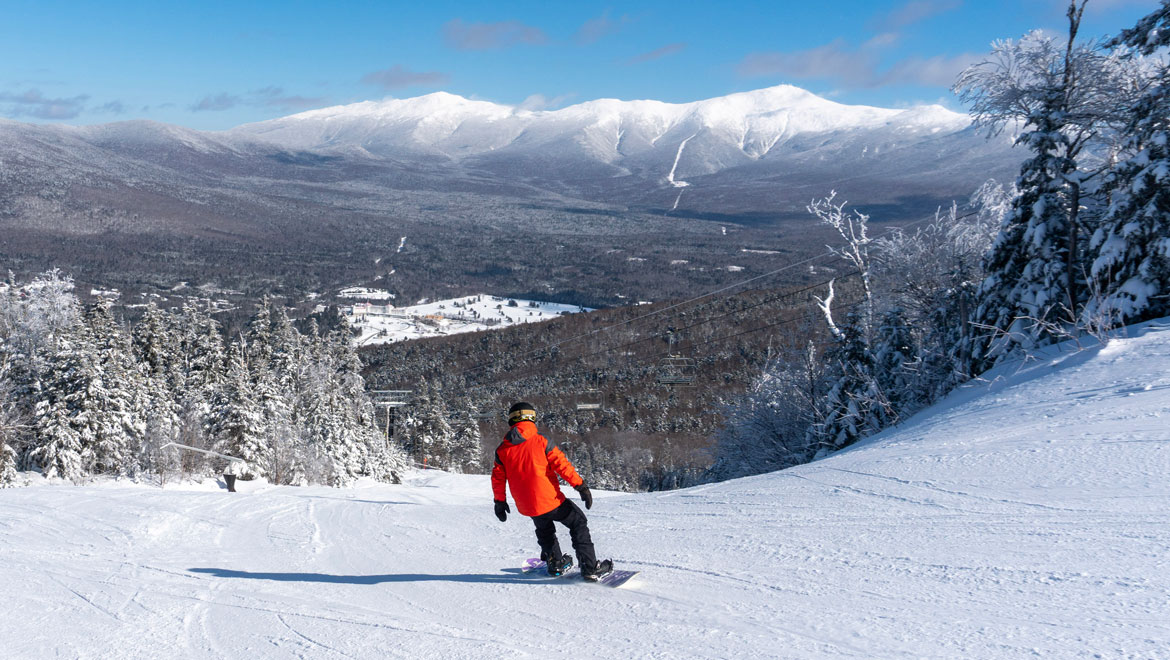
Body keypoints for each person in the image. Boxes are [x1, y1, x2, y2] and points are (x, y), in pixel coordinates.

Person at [491, 401, 613, 580]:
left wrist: (499, 502)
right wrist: (581, 486)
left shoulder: (502, 450)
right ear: (532, 417)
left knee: (544, 529)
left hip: (527, 505)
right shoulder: (541, 441)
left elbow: (498, 479)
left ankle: (555, 563)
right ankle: (590, 567)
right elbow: (562, 465)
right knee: (578, 522)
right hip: (550, 500)